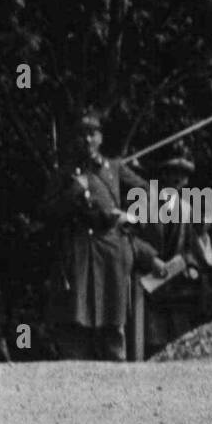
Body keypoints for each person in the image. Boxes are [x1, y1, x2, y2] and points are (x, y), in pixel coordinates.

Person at [43, 109, 166, 360]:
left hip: (111, 251)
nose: (87, 140)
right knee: (76, 324)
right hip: (78, 253)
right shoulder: (65, 173)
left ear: (100, 138)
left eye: (92, 134)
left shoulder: (114, 168)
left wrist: (129, 217)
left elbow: (147, 193)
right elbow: (47, 212)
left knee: (113, 322)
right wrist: (75, 191)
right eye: (81, 135)